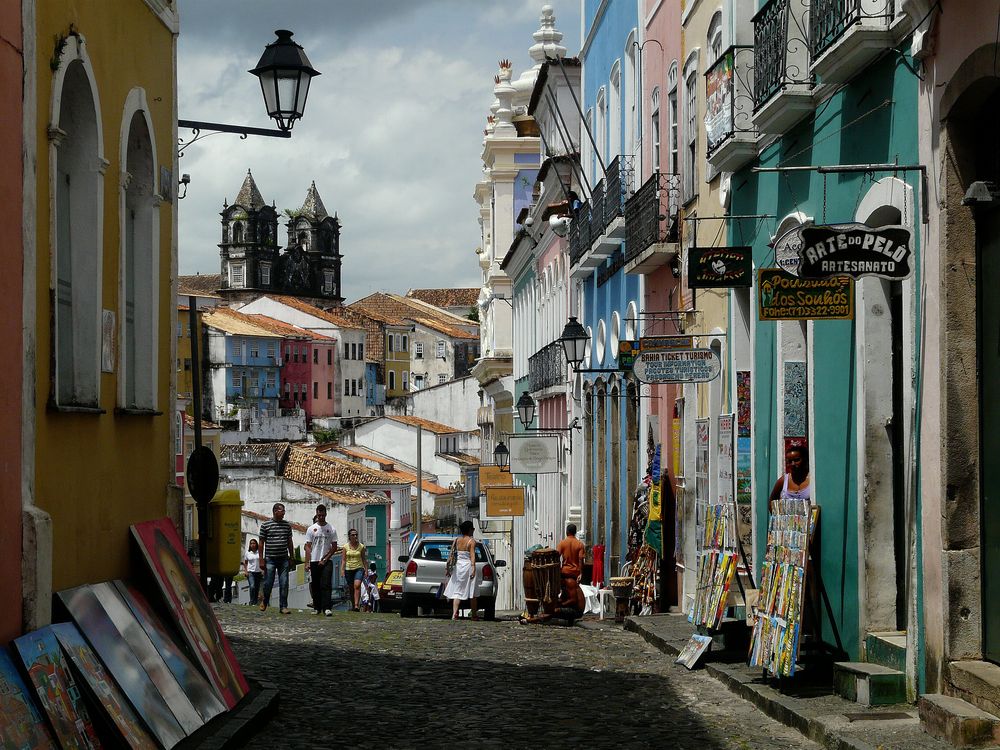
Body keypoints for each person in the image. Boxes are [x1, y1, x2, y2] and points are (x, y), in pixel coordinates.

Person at [259, 502, 295, 614]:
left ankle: (283, 606)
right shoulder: (265, 525)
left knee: (284, 583)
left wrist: (292, 556)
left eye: (284, 511)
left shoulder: (287, 526)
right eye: (282, 510)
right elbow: (261, 543)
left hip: (283, 558)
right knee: (268, 583)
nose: (284, 513)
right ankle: (265, 600)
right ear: (275, 511)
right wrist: (261, 559)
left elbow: (290, 541)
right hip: (270, 558)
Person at [304, 504, 338, 616]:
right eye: (319, 515)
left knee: (326, 584)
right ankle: (317, 607)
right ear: (317, 514)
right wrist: (307, 562)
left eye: (323, 515)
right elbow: (308, 546)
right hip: (314, 560)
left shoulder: (331, 529)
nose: (321, 517)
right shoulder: (311, 529)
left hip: (327, 560)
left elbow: (334, 547)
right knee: (315, 585)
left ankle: (327, 607)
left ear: (325, 514)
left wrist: (325, 558)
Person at [443, 520, 479, 621]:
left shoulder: (457, 540)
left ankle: (454, 613)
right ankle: (474, 615)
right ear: (469, 530)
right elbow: (472, 556)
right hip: (468, 566)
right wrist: (473, 568)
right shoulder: (471, 541)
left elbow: (451, 554)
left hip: (458, 567)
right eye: (473, 529)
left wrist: (448, 568)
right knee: (472, 592)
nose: (473, 531)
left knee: (457, 591)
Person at [768, 446, 812, 510]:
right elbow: (771, 503)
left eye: (797, 460)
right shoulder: (782, 481)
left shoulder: (812, 480)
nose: (793, 464)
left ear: (804, 459)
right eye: (790, 461)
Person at [342, 528, 368, 612]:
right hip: (348, 569)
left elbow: (364, 559)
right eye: (353, 535)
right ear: (349, 536)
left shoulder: (361, 546)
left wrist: (366, 570)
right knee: (351, 588)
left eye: (356, 534)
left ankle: (357, 605)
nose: (355, 536)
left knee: (357, 585)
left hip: (359, 568)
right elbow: (343, 560)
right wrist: (342, 570)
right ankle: (353, 605)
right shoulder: (345, 547)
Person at [242, 539, 262, 606]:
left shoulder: (259, 552)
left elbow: (263, 561)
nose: (253, 545)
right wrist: (245, 571)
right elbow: (245, 563)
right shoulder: (248, 553)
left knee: (256, 587)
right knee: (252, 586)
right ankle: (251, 601)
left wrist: (263, 570)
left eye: (254, 543)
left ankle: (255, 602)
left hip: (258, 572)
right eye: (251, 543)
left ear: (256, 544)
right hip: (250, 572)